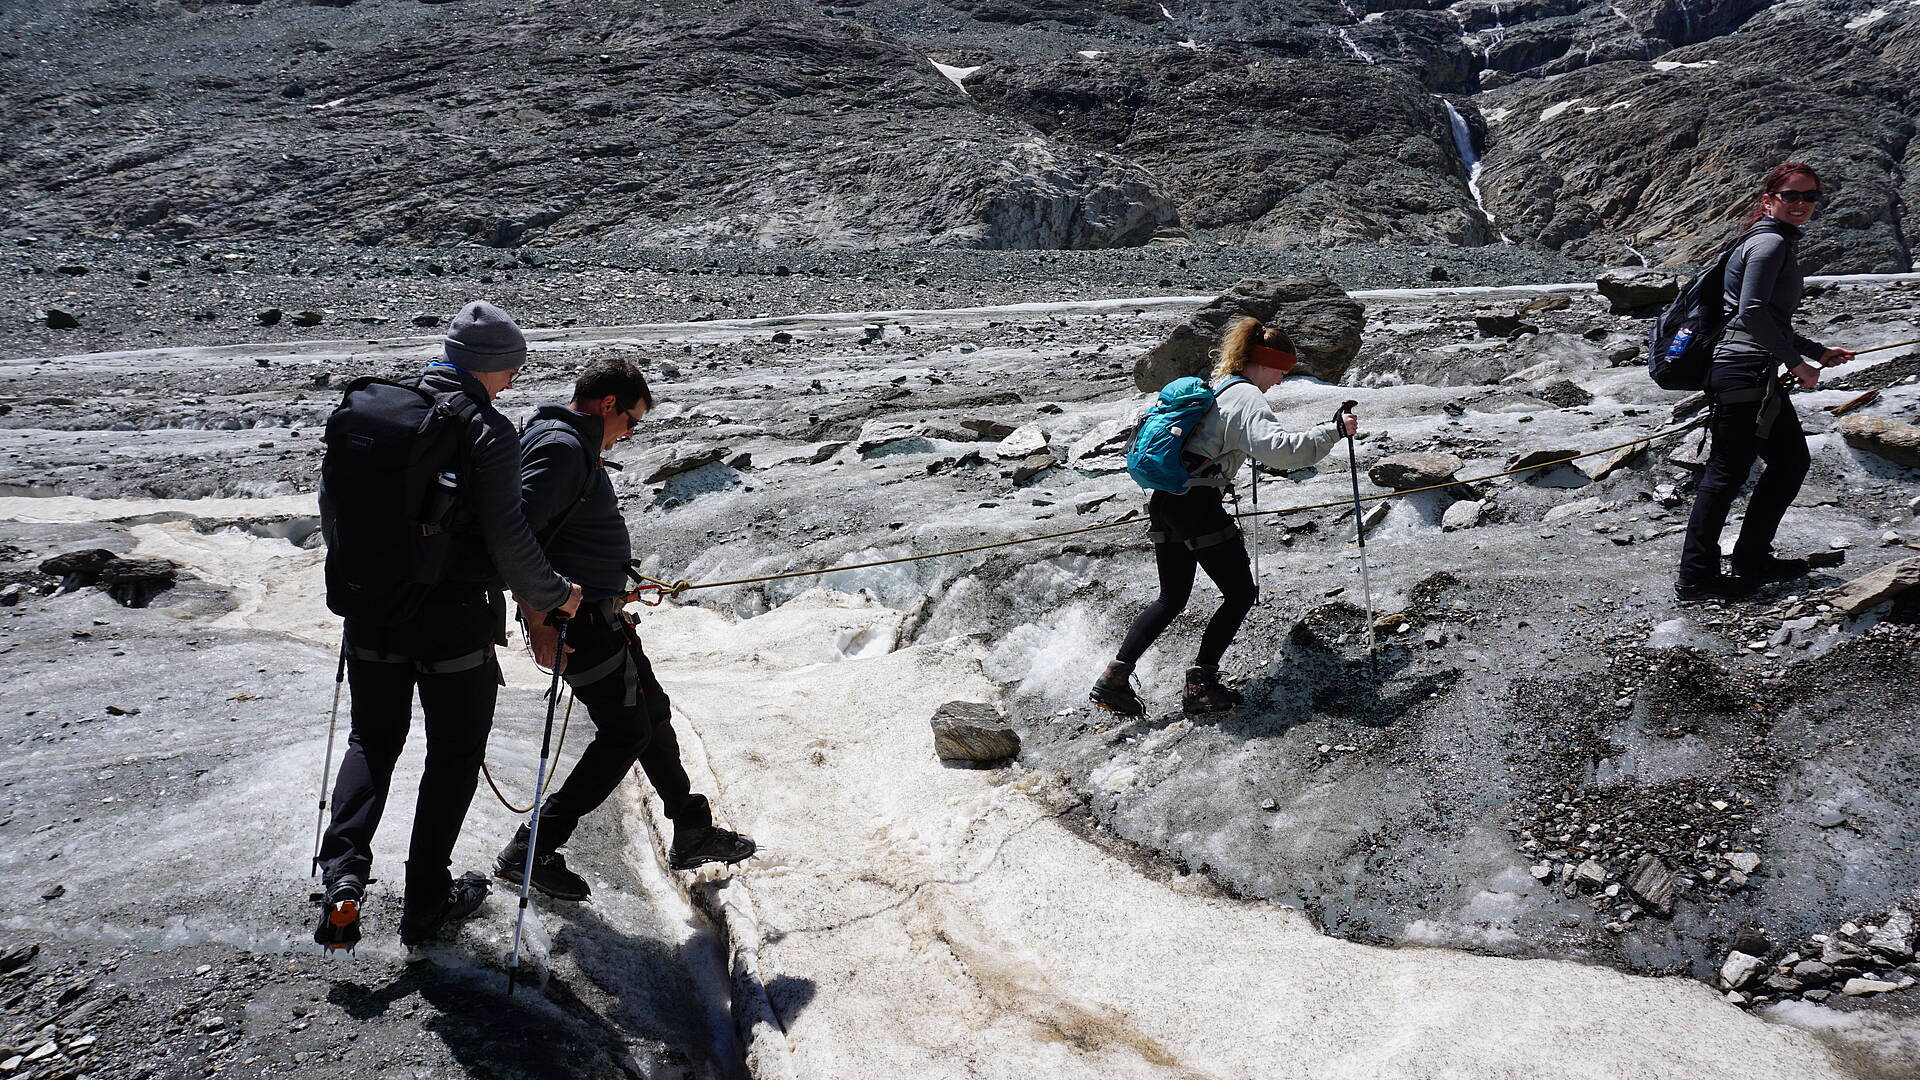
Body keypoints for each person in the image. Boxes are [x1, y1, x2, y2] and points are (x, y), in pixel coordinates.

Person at [315, 300, 583, 950]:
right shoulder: (485, 430)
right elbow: (508, 537)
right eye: (510, 369)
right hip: (452, 624)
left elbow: (333, 512)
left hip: (373, 613)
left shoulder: (381, 417)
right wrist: (556, 596)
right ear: (488, 368)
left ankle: (343, 878)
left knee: (372, 742)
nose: (513, 382)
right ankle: (426, 902)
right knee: (453, 758)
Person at [493, 357, 755, 901]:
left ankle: (690, 827)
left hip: (597, 611)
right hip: (577, 621)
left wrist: (614, 583)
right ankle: (533, 848)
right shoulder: (563, 448)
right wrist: (541, 618)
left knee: (651, 714)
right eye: (631, 422)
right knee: (626, 731)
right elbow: (515, 538)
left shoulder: (567, 443)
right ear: (608, 404)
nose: (629, 434)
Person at [1091, 318, 1358, 717]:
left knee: (1171, 597)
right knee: (1239, 594)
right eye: (1280, 372)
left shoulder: (1217, 386)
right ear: (1263, 363)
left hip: (1167, 500)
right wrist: (1333, 431)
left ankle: (1114, 677)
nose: (1281, 381)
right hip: (1197, 505)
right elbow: (1282, 452)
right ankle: (1201, 686)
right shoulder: (1246, 396)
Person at [1676, 162, 1855, 602]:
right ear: (1768, 199)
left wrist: (1816, 352)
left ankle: (1752, 557)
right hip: (1742, 372)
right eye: (1791, 196)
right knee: (1726, 474)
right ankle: (1696, 577)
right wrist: (1797, 363)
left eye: (1809, 196)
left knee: (1790, 461)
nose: (1801, 204)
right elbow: (1752, 313)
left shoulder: (1768, 241)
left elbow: (1763, 317)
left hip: (1751, 371)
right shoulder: (1771, 244)